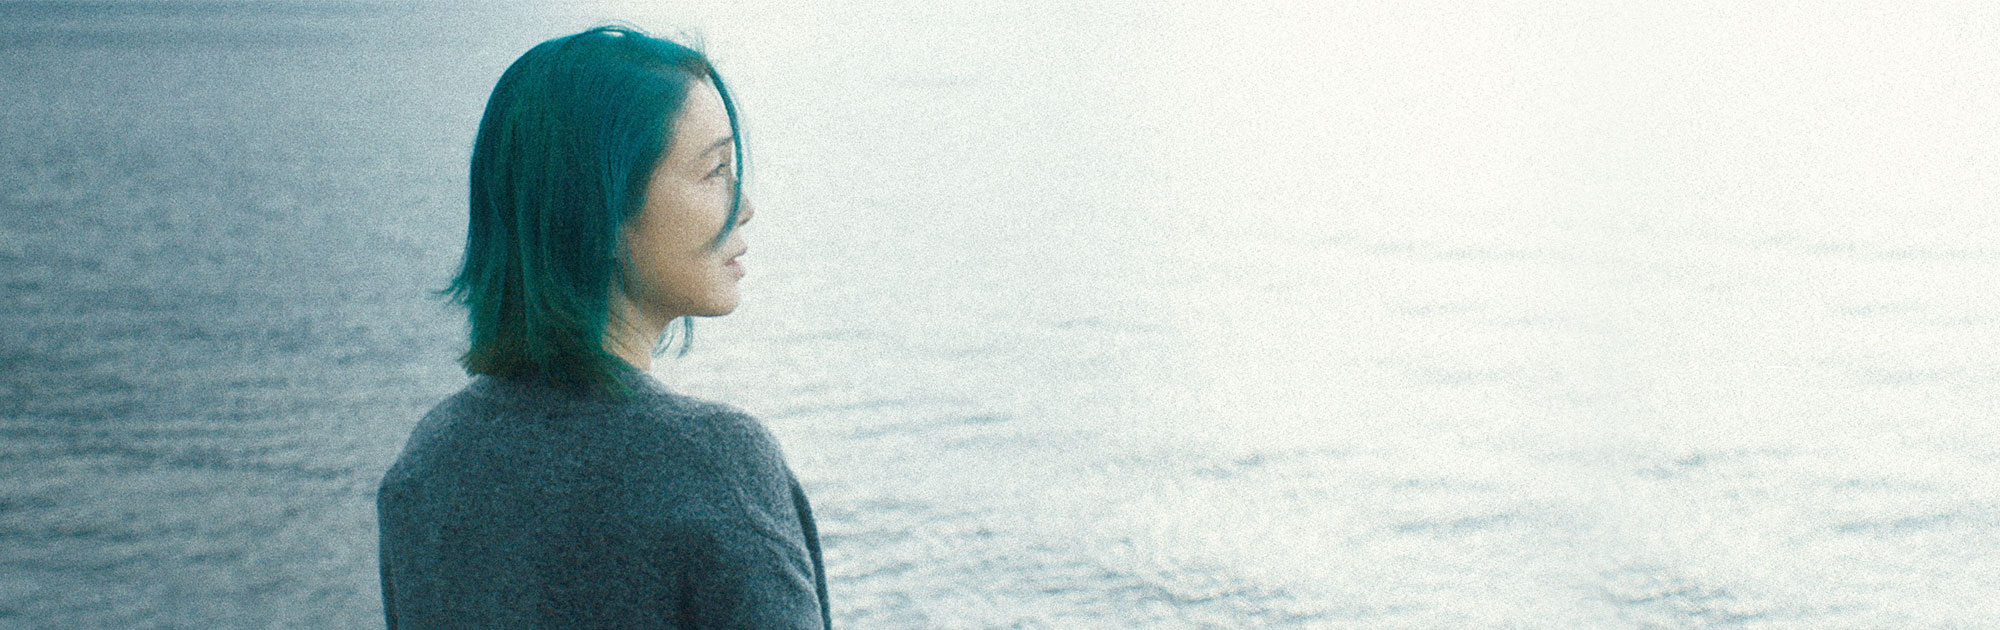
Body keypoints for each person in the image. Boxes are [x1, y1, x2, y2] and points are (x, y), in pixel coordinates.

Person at [376, 25, 830, 629]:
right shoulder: (716, 468)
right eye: (715, 170)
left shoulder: (428, 465)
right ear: (602, 210)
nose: (744, 206)